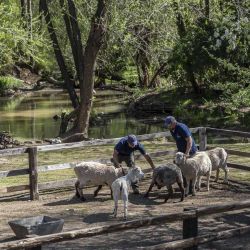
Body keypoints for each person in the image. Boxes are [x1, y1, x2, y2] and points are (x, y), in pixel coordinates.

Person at [164, 116, 198, 193]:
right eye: (167, 125)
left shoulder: (181, 127)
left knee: (190, 169)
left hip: (189, 151)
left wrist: (187, 153)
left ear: (173, 123)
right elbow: (178, 140)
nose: (167, 126)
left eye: (168, 124)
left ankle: (191, 188)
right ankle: (186, 187)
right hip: (181, 152)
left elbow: (189, 140)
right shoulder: (171, 129)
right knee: (180, 169)